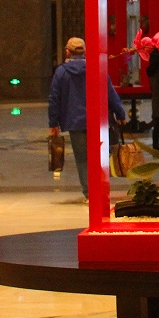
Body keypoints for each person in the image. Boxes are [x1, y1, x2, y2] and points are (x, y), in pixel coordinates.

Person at [48, 37, 126, 203]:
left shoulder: (61, 72)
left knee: (82, 159)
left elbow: (54, 98)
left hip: (74, 122)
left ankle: (90, 194)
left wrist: (53, 123)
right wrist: (120, 114)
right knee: (100, 157)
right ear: (85, 52)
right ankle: (101, 190)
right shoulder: (97, 68)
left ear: (67, 52)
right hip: (98, 121)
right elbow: (110, 93)